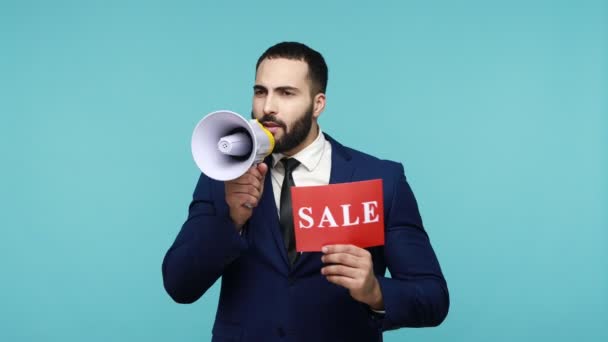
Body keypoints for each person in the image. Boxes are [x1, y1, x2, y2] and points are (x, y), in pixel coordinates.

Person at [162, 42, 449, 341]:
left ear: (318, 104)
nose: (267, 107)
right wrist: (231, 220)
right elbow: (179, 285)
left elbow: (433, 298)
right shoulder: (224, 176)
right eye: (261, 91)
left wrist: (375, 291)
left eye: (286, 93)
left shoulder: (380, 179)